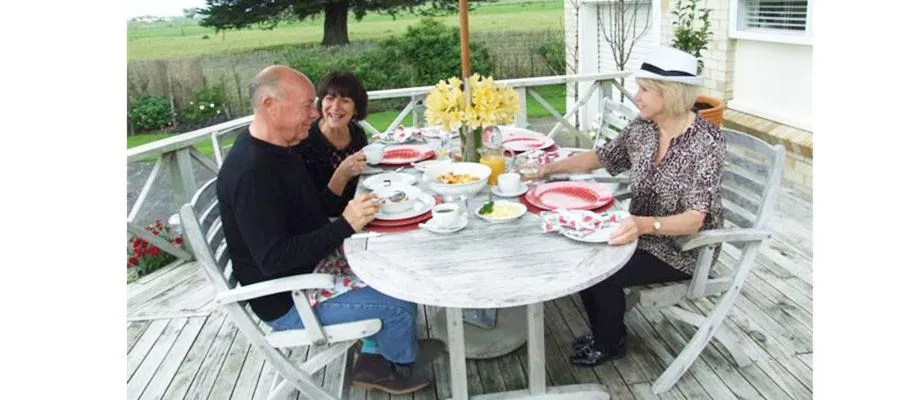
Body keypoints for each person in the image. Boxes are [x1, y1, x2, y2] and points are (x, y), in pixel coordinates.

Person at [216, 65, 436, 394]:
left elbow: (311, 211)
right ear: (269, 105)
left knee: (401, 266)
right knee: (400, 300)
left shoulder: (279, 148)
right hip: (289, 299)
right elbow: (274, 259)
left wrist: (346, 207)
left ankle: (391, 347)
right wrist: (345, 225)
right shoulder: (252, 172)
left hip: (311, 267)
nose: (313, 113)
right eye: (306, 105)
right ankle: (395, 365)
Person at [538, 47, 726, 367]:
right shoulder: (643, 127)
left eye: (644, 89)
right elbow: (603, 157)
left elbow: (695, 220)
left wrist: (642, 225)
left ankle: (610, 342)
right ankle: (604, 331)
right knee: (586, 256)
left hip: (684, 247)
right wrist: (550, 168)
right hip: (638, 230)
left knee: (601, 271)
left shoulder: (705, 143)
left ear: (671, 94)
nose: (636, 96)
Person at [294, 71, 370, 208]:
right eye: (329, 98)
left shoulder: (357, 133)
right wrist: (342, 174)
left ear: (356, 109)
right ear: (321, 102)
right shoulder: (305, 143)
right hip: (331, 223)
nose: (335, 107)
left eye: (345, 100)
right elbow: (318, 209)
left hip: (363, 209)